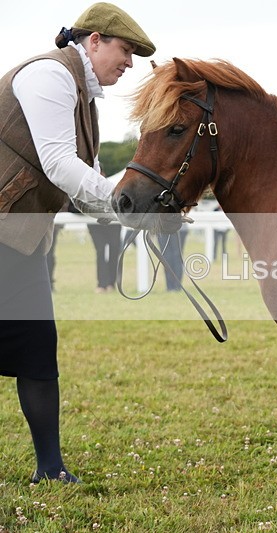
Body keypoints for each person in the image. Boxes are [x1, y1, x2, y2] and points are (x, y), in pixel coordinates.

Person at [0, 3, 154, 483]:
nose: (128, 63)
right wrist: (122, 202)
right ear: (94, 41)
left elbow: (80, 187)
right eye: (125, 50)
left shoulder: (84, 100)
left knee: (38, 352)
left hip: (19, 243)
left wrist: (133, 215)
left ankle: (50, 469)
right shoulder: (49, 75)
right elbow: (59, 164)